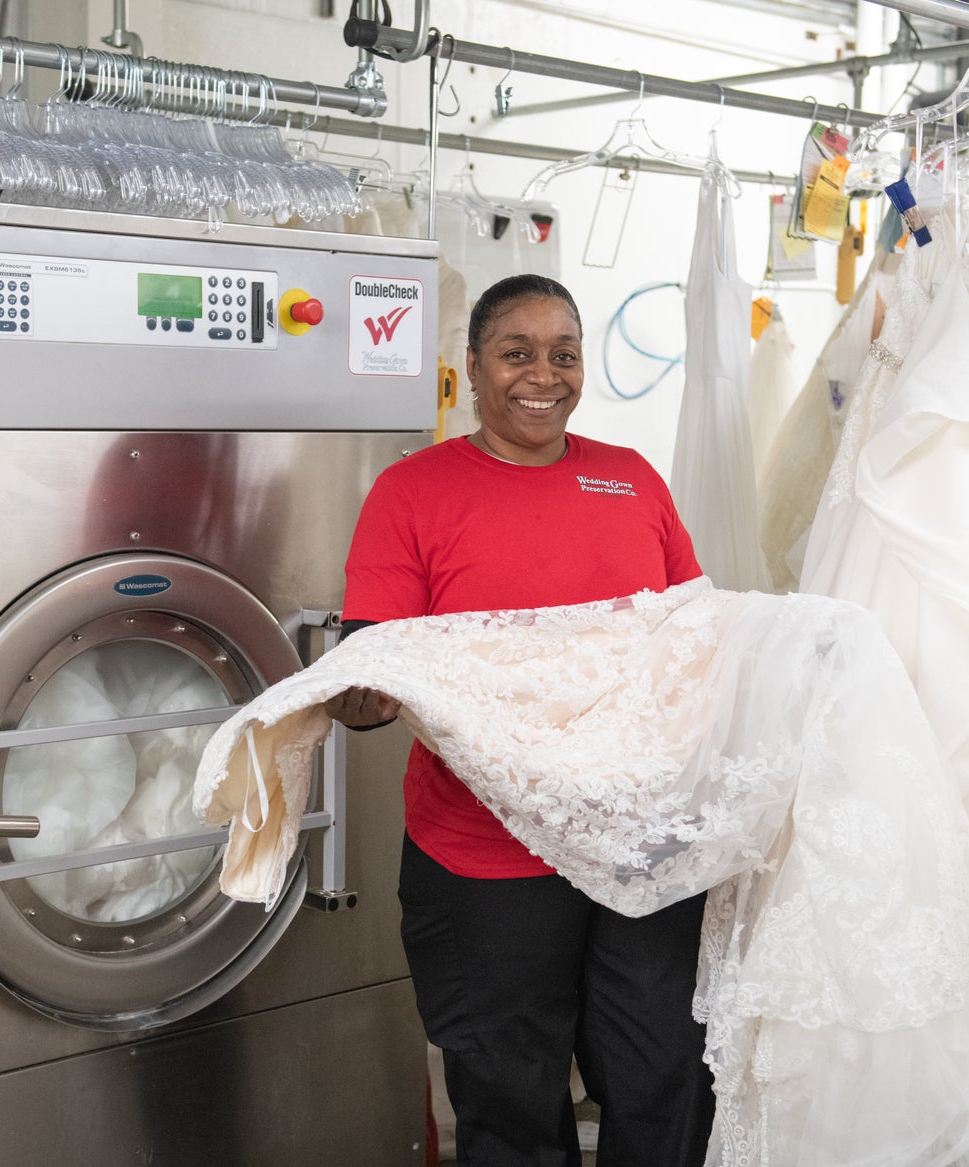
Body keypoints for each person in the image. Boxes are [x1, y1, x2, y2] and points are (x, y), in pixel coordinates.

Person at [326, 274, 714, 1166]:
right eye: (517, 352)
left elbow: (691, 634)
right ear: (470, 368)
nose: (544, 374)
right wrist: (363, 695)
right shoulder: (413, 492)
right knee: (510, 1093)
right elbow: (375, 662)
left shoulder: (631, 477)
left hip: (635, 840)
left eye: (564, 353)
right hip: (486, 853)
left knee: (664, 1075)